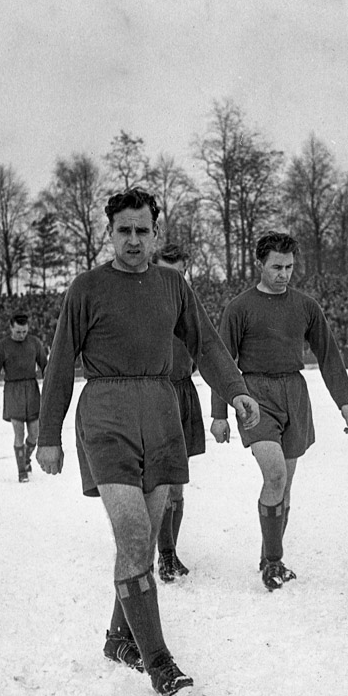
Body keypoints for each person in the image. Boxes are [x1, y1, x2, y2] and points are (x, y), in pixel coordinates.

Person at [36, 188, 260, 696]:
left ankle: (120, 637)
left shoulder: (173, 286)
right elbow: (59, 363)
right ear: (109, 233)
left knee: (145, 533)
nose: (133, 240)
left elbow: (206, 343)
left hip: (162, 414)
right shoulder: (86, 288)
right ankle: (158, 659)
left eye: (142, 230)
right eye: (124, 231)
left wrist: (237, 391)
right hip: (107, 414)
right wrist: (48, 436)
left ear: (155, 233)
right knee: (134, 534)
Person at [210, 231, 348, 592]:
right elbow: (222, 362)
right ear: (260, 264)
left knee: (285, 486)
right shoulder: (239, 307)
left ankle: (268, 554)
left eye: (290, 267)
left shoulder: (306, 306)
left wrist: (344, 400)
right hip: (255, 395)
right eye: (276, 266)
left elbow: (328, 354)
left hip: (294, 391)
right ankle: (273, 563)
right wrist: (219, 413)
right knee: (274, 475)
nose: (284, 274)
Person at [150, 243, 206, 583]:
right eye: (169, 274)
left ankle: (170, 552)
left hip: (184, 393)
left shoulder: (190, 306)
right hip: (156, 395)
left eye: (181, 275)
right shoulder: (143, 304)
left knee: (178, 485)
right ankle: (164, 554)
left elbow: (207, 347)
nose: (176, 281)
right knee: (161, 483)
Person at [0, 312, 47, 482]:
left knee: (34, 433)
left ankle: (26, 459)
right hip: (13, 391)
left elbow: (45, 367)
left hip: (31, 389)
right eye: (18, 332)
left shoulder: (35, 343)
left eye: (24, 332)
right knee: (19, 433)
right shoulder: (3, 346)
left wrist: (50, 391)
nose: (21, 335)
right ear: (11, 328)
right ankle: (22, 470)